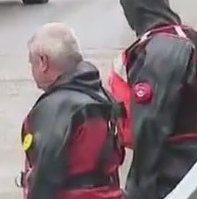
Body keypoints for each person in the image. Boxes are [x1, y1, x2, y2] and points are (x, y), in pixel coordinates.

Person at [107, 0, 197, 199]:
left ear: (136, 9)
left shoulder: (158, 52)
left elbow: (151, 125)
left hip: (173, 171)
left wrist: (138, 188)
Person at [21, 22, 125, 199]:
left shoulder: (53, 108)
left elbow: (45, 175)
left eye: (32, 63)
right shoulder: (104, 98)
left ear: (43, 62)